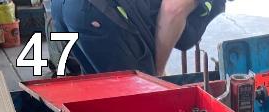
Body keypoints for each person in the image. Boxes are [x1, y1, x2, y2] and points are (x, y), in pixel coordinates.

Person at [50, 0, 228, 76]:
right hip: (99, 13)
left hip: (66, 8)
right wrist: (158, 72)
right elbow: (173, 9)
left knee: (97, 93)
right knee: (141, 106)